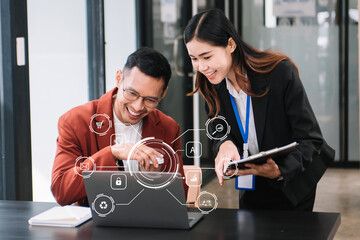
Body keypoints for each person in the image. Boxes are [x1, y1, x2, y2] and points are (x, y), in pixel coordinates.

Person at [184, 9, 335, 211]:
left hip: (293, 180)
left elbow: (311, 140)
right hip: (252, 182)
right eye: (194, 59)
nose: (201, 67)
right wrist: (224, 143)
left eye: (207, 57)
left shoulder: (279, 73)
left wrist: (279, 170)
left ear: (230, 44)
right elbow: (216, 126)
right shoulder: (212, 83)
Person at [51, 47, 187, 206]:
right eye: (131, 93)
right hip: (94, 224)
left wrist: (155, 180)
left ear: (163, 94)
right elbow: (61, 191)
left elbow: (179, 199)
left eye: (150, 100)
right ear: (118, 78)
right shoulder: (75, 121)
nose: (137, 107)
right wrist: (112, 153)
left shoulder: (168, 128)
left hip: (146, 224)